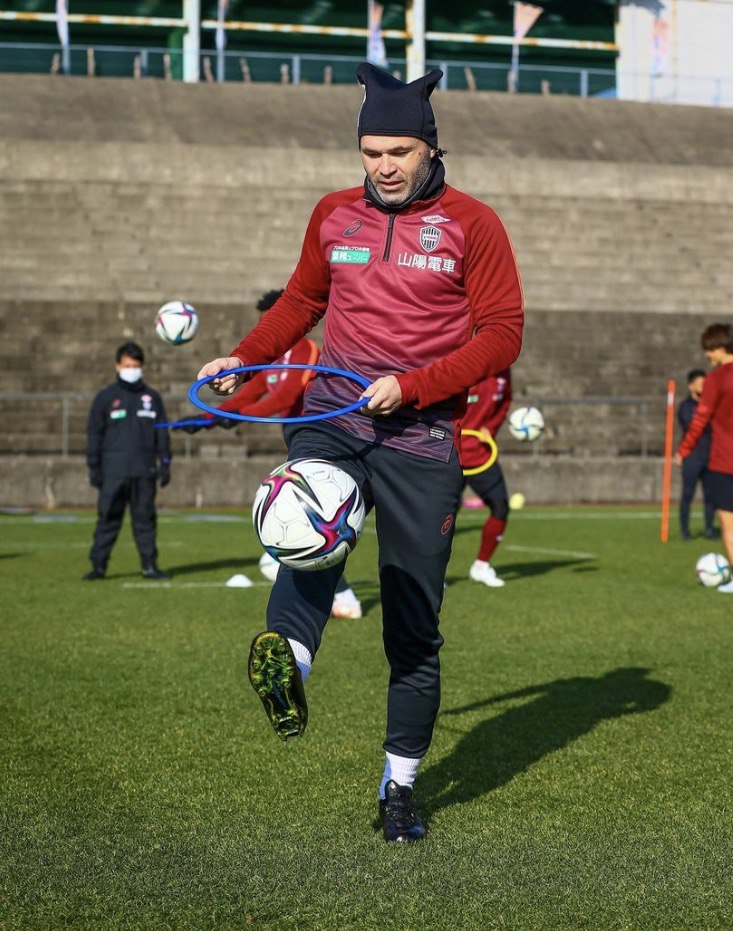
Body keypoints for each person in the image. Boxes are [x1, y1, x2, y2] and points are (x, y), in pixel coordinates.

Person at [197, 63, 524, 841]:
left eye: (399, 151)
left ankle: (398, 787)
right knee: (303, 527)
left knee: (412, 628)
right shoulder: (332, 213)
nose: (384, 166)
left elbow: (503, 333)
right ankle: (291, 665)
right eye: (372, 152)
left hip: (422, 436)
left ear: (430, 149)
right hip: (334, 419)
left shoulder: (474, 224)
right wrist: (244, 356)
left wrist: (412, 385)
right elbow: (302, 300)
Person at [177, 289, 363, 619]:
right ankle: (338, 593)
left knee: (316, 517)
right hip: (295, 435)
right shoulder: (274, 358)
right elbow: (253, 393)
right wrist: (207, 418)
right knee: (310, 517)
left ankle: (340, 593)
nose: (269, 329)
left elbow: (284, 398)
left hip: (317, 433)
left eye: (273, 321)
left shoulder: (306, 350)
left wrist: (234, 417)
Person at [84, 342, 171, 581]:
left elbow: (162, 434)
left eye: (136, 366)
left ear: (142, 367)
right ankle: (98, 566)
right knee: (107, 519)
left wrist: (165, 463)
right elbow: (94, 435)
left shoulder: (152, 398)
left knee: (145, 522)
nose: (132, 370)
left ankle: (149, 566)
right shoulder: (105, 398)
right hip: (114, 472)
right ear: (117, 366)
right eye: (127, 365)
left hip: (144, 471)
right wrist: (94, 467)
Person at [677, 323, 733, 594]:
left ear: (719, 348)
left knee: (728, 520)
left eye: (708, 350)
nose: (707, 355)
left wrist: (684, 450)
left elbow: (700, 420)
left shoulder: (716, 380)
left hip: (725, 461)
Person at [460, 369, 512, 588]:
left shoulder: (505, 371)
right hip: (452, 453)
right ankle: (432, 573)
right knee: (440, 516)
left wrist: (491, 428)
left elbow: (505, 401)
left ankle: (481, 566)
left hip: (482, 454)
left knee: (501, 506)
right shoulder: (468, 365)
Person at [677, 369, 716, 541]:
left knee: (711, 495)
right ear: (691, 386)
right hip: (692, 456)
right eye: (700, 383)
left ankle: (709, 529)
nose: (704, 387)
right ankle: (685, 530)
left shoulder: (712, 403)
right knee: (687, 494)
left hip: (711, 455)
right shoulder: (686, 406)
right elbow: (691, 425)